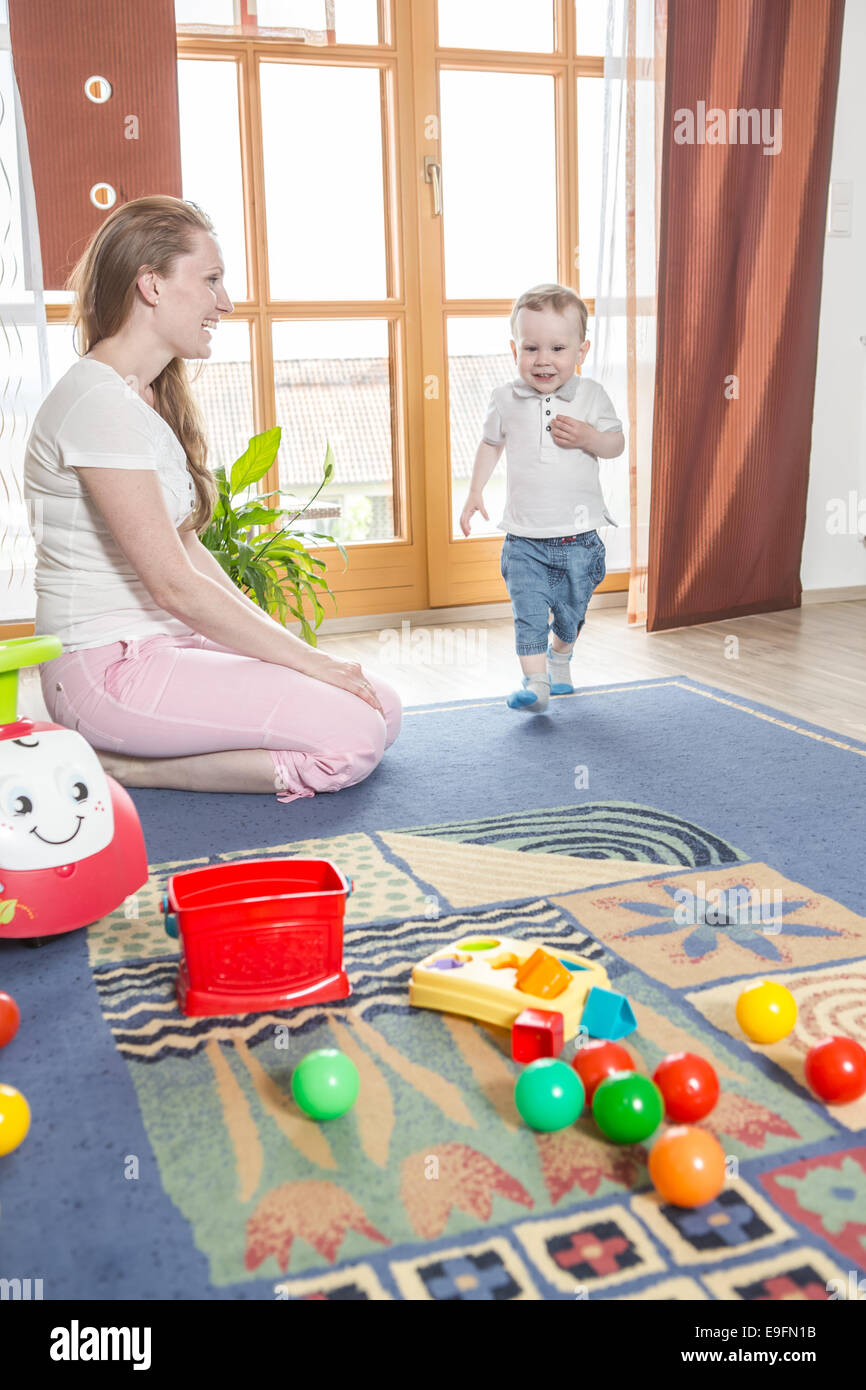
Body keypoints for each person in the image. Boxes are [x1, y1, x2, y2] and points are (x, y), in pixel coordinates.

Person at [23, 195, 401, 803]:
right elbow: (173, 584)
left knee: (383, 707)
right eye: (211, 280)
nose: (224, 303)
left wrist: (302, 657)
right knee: (354, 735)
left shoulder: (138, 400)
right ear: (151, 285)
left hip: (163, 646)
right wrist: (313, 667)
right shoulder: (98, 407)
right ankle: (129, 767)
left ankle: (173, 746)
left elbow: (190, 552)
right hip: (105, 671)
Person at [460, 283, 625, 712]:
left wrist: (591, 437)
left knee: (571, 613)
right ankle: (535, 683)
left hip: (579, 538)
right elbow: (490, 444)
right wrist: (475, 490)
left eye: (557, 347)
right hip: (525, 538)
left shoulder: (591, 396)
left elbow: (615, 444)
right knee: (528, 610)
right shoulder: (506, 399)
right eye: (531, 348)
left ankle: (560, 657)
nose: (543, 360)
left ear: (581, 351)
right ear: (514, 349)